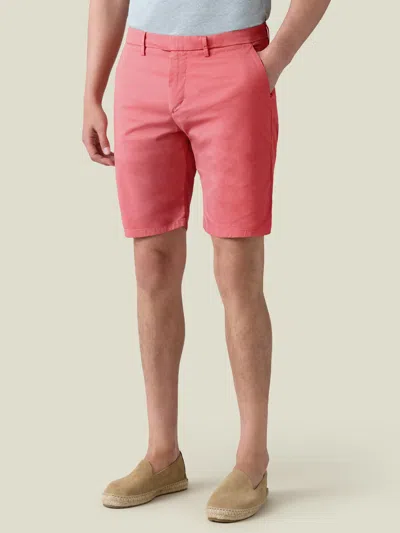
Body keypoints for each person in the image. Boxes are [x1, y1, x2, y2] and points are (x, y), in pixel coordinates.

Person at [83, 0, 331, 522]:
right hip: (141, 67)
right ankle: (162, 455)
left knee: (237, 269)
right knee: (151, 265)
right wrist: (92, 92)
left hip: (235, 65)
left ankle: (251, 460)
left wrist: (274, 60)